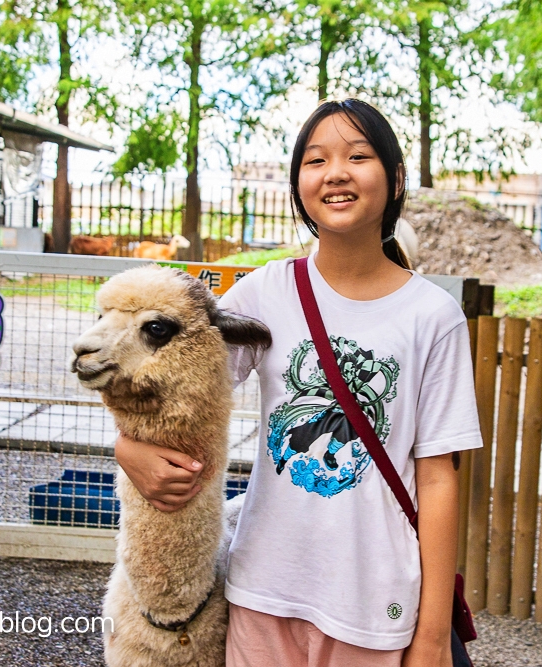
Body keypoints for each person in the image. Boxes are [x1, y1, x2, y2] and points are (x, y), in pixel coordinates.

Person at [115, 99, 483, 667]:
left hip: (374, 605)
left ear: (396, 177)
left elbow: (437, 479)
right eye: (316, 160)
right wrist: (127, 447)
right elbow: (175, 391)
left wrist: (432, 634)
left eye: (358, 156)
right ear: (299, 183)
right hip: (264, 591)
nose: (336, 172)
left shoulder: (432, 316)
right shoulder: (264, 295)